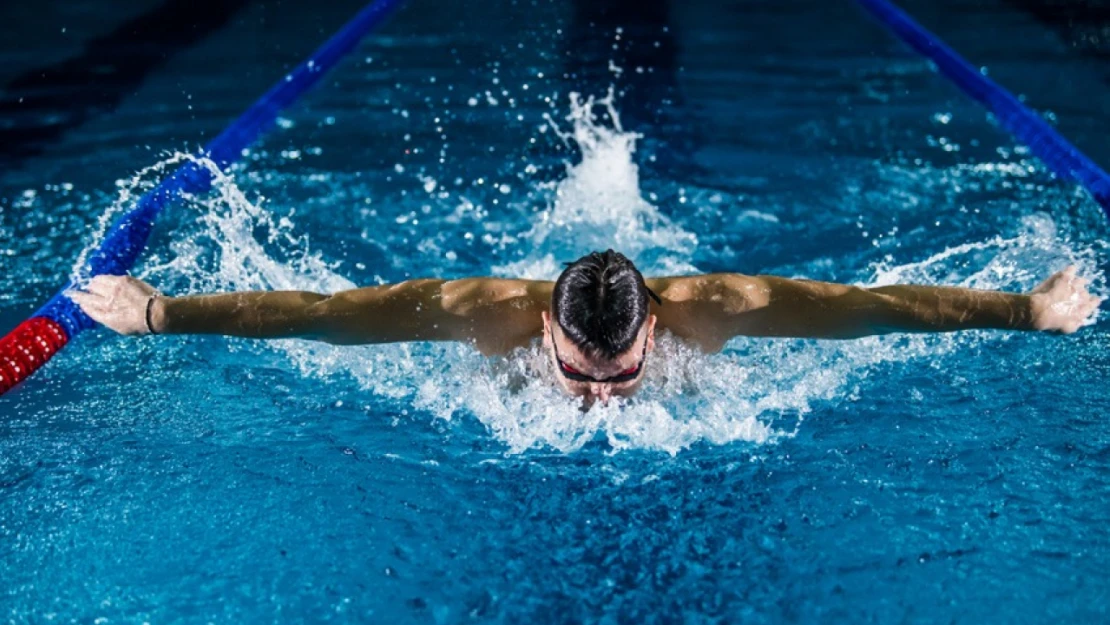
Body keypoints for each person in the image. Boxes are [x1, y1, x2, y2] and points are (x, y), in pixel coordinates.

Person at [68, 249, 1100, 406]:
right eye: (577, 371)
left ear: (656, 322)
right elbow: (325, 318)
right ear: (544, 330)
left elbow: (879, 308)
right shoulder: (482, 316)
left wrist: (1028, 310)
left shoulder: (722, 307)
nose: (596, 398)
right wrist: (160, 312)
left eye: (616, 375)